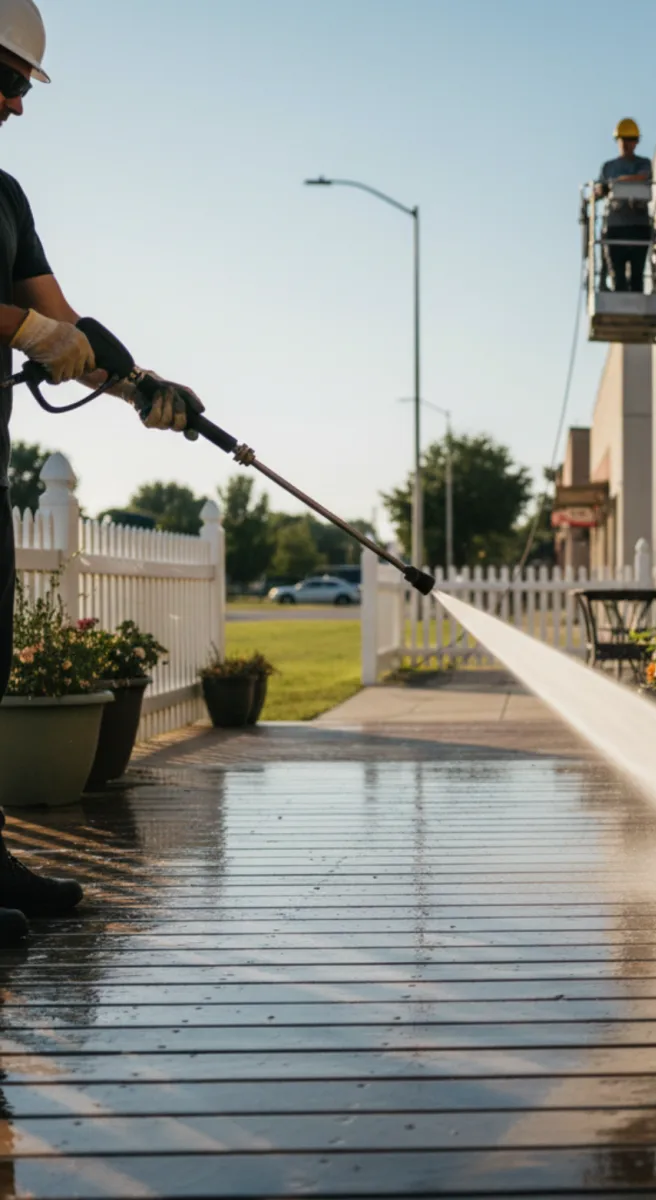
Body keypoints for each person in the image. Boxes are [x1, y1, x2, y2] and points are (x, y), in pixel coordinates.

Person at [0, 0, 204, 946]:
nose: (16, 105)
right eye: (5, 81)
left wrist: (141, 388)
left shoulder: (4, 198)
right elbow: (33, 327)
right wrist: (25, 331)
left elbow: (66, 329)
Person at [596, 117, 653, 293]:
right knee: (617, 276)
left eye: (630, 140)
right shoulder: (608, 167)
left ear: (636, 142)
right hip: (615, 227)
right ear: (618, 141)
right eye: (623, 140)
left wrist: (619, 181)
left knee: (637, 276)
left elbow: (643, 176)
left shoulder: (643, 163)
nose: (626, 144)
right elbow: (600, 189)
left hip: (639, 226)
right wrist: (598, 190)